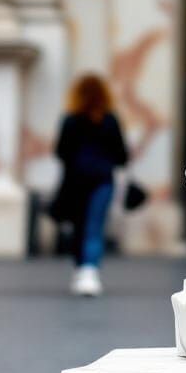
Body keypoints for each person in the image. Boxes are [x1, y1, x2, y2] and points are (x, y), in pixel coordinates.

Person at [50, 73, 128, 296]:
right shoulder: (109, 120)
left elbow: (61, 152)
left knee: (79, 226)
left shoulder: (70, 120)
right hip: (102, 179)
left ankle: (82, 269)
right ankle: (89, 270)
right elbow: (121, 155)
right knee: (94, 226)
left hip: (76, 181)